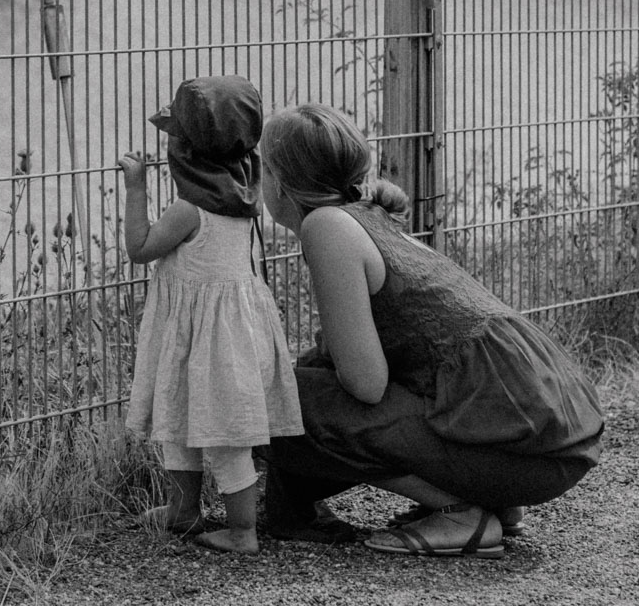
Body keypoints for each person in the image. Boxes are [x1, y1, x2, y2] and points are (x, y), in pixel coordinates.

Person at [259, 103, 604, 557]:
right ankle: (490, 501)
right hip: (544, 446)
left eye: (261, 166)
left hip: (530, 457)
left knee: (269, 393)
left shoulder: (326, 226)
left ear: (280, 182)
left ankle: (462, 513)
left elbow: (365, 385)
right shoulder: (365, 216)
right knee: (301, 385)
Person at [120, 75, 303, 556]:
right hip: (226, 332)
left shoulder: (189, 209)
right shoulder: (244, 199)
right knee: (184, 415)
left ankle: (242, 531)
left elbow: (140, 249)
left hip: (207, 337)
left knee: (219, 433)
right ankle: (184, 513)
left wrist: (136, 186)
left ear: (186, 154)